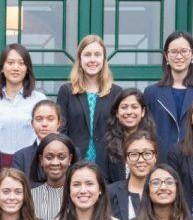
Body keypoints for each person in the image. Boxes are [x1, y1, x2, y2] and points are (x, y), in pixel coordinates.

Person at [144, 31, 193, 153]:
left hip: (191, 160)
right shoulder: (151, 93)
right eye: (174, 52)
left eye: (184, 51)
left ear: (192, 54)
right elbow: (145, 131)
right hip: (160, 163)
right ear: (166, 56)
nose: (179, 56)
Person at [57, 35, 122, 164]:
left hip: (108, 163)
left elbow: (119, 131)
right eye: (87, 55)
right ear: (80, 59)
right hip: (74, 162)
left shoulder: (116, 92)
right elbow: (61, 130)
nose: (92, 59)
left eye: (97, 55)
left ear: (104, 59)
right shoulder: (66, 91)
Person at [0, 43, 47, 166]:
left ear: (27, 69)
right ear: (2, 68)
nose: (15, 68)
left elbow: (47, 134)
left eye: (21, 63)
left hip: (31, 162)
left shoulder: (39, 100)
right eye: (10, 63)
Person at [101, 88, 157, 185]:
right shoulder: (107, 143)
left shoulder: (155, 141)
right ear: (117, 113)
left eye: (134, 107)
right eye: (124, 107)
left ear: (143, 112)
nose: (129, 112)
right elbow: (103, 180)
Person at [106, 131, 160, 220]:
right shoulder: (110, 193)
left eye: (147, 153)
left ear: (155, 157)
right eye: (134, 154)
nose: (141, 160)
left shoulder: (165, 191)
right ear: (126, 159)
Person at [29, 133, 78, 220]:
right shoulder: (30, 197)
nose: (55, 162)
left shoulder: (80, 194)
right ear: (41, 160)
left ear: (70, 159)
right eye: (49, 157)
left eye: (61, 157)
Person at [11, 99, 63, 181]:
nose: (44, 124)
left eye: (50, 119)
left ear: (58, 123)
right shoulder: (21, 157)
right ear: (32, 123)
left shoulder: (73, 153)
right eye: (39, 119)